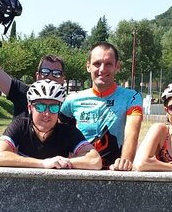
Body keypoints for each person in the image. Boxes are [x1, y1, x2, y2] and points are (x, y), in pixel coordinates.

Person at [60, 42, 143, 171]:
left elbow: (132, 132)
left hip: (115, 171)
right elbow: (60, 134)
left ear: (117, 66)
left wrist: (125, 162)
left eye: (108, 64)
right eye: (97, 63)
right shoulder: (72, 100)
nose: (102, 69)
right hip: (80, 172)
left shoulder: (131, 97)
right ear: (88, 66)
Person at [0, 0, 66, 117]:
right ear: (37, 75)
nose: (49, 76)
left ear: (63, 78)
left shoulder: (69, 106)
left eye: (56, 74)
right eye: (45, 71)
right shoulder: (23, 93)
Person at [0, 80, 101, 170]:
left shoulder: (68, 131)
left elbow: (95, 160)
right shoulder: (20, 126)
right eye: (40, 107)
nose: (47, 113)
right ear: (30, 108)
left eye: (53, 107)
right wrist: (44, 163)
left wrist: (62, 162)